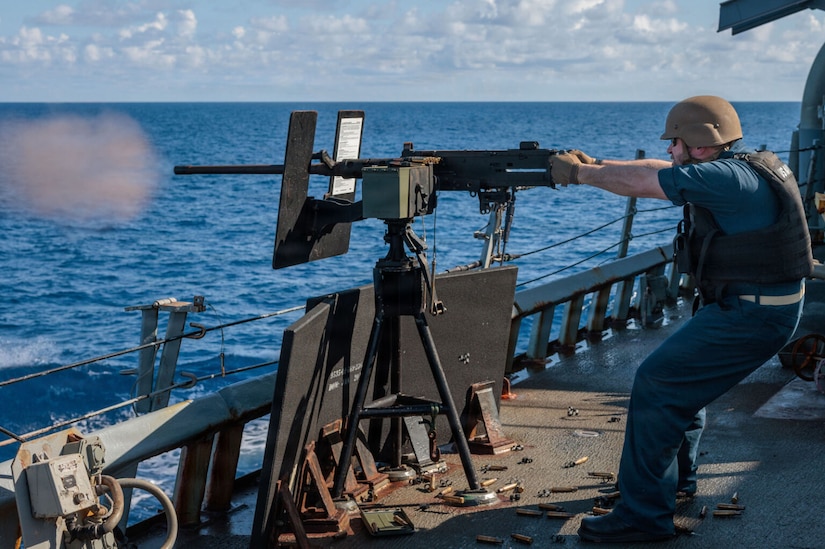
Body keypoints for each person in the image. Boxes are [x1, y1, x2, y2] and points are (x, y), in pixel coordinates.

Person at [549, 95, 813, 543]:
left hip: (753, 312)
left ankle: (642, 517)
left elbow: (648, 182)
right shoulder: (740, 165)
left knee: (657, 383)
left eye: (676, 142)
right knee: (677, 385)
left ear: (701, 145)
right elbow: (659, 169)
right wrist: (597, 161)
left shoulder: (725, 180)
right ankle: (673, 484)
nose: (671, 149)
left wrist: (580, 174)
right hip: (760, 304)